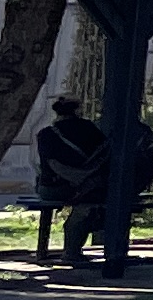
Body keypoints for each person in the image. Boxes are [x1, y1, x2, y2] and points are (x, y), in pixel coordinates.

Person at [34, 93, 108, 266]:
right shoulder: (90, 130)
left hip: (54, 188)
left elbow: (51, 164)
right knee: (90, 204)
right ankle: (73, 250)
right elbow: (104, 155)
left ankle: (66, 250)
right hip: (89, 186)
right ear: (77, 110)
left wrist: (73, 177)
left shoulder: (46, 134)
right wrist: (85, 177)